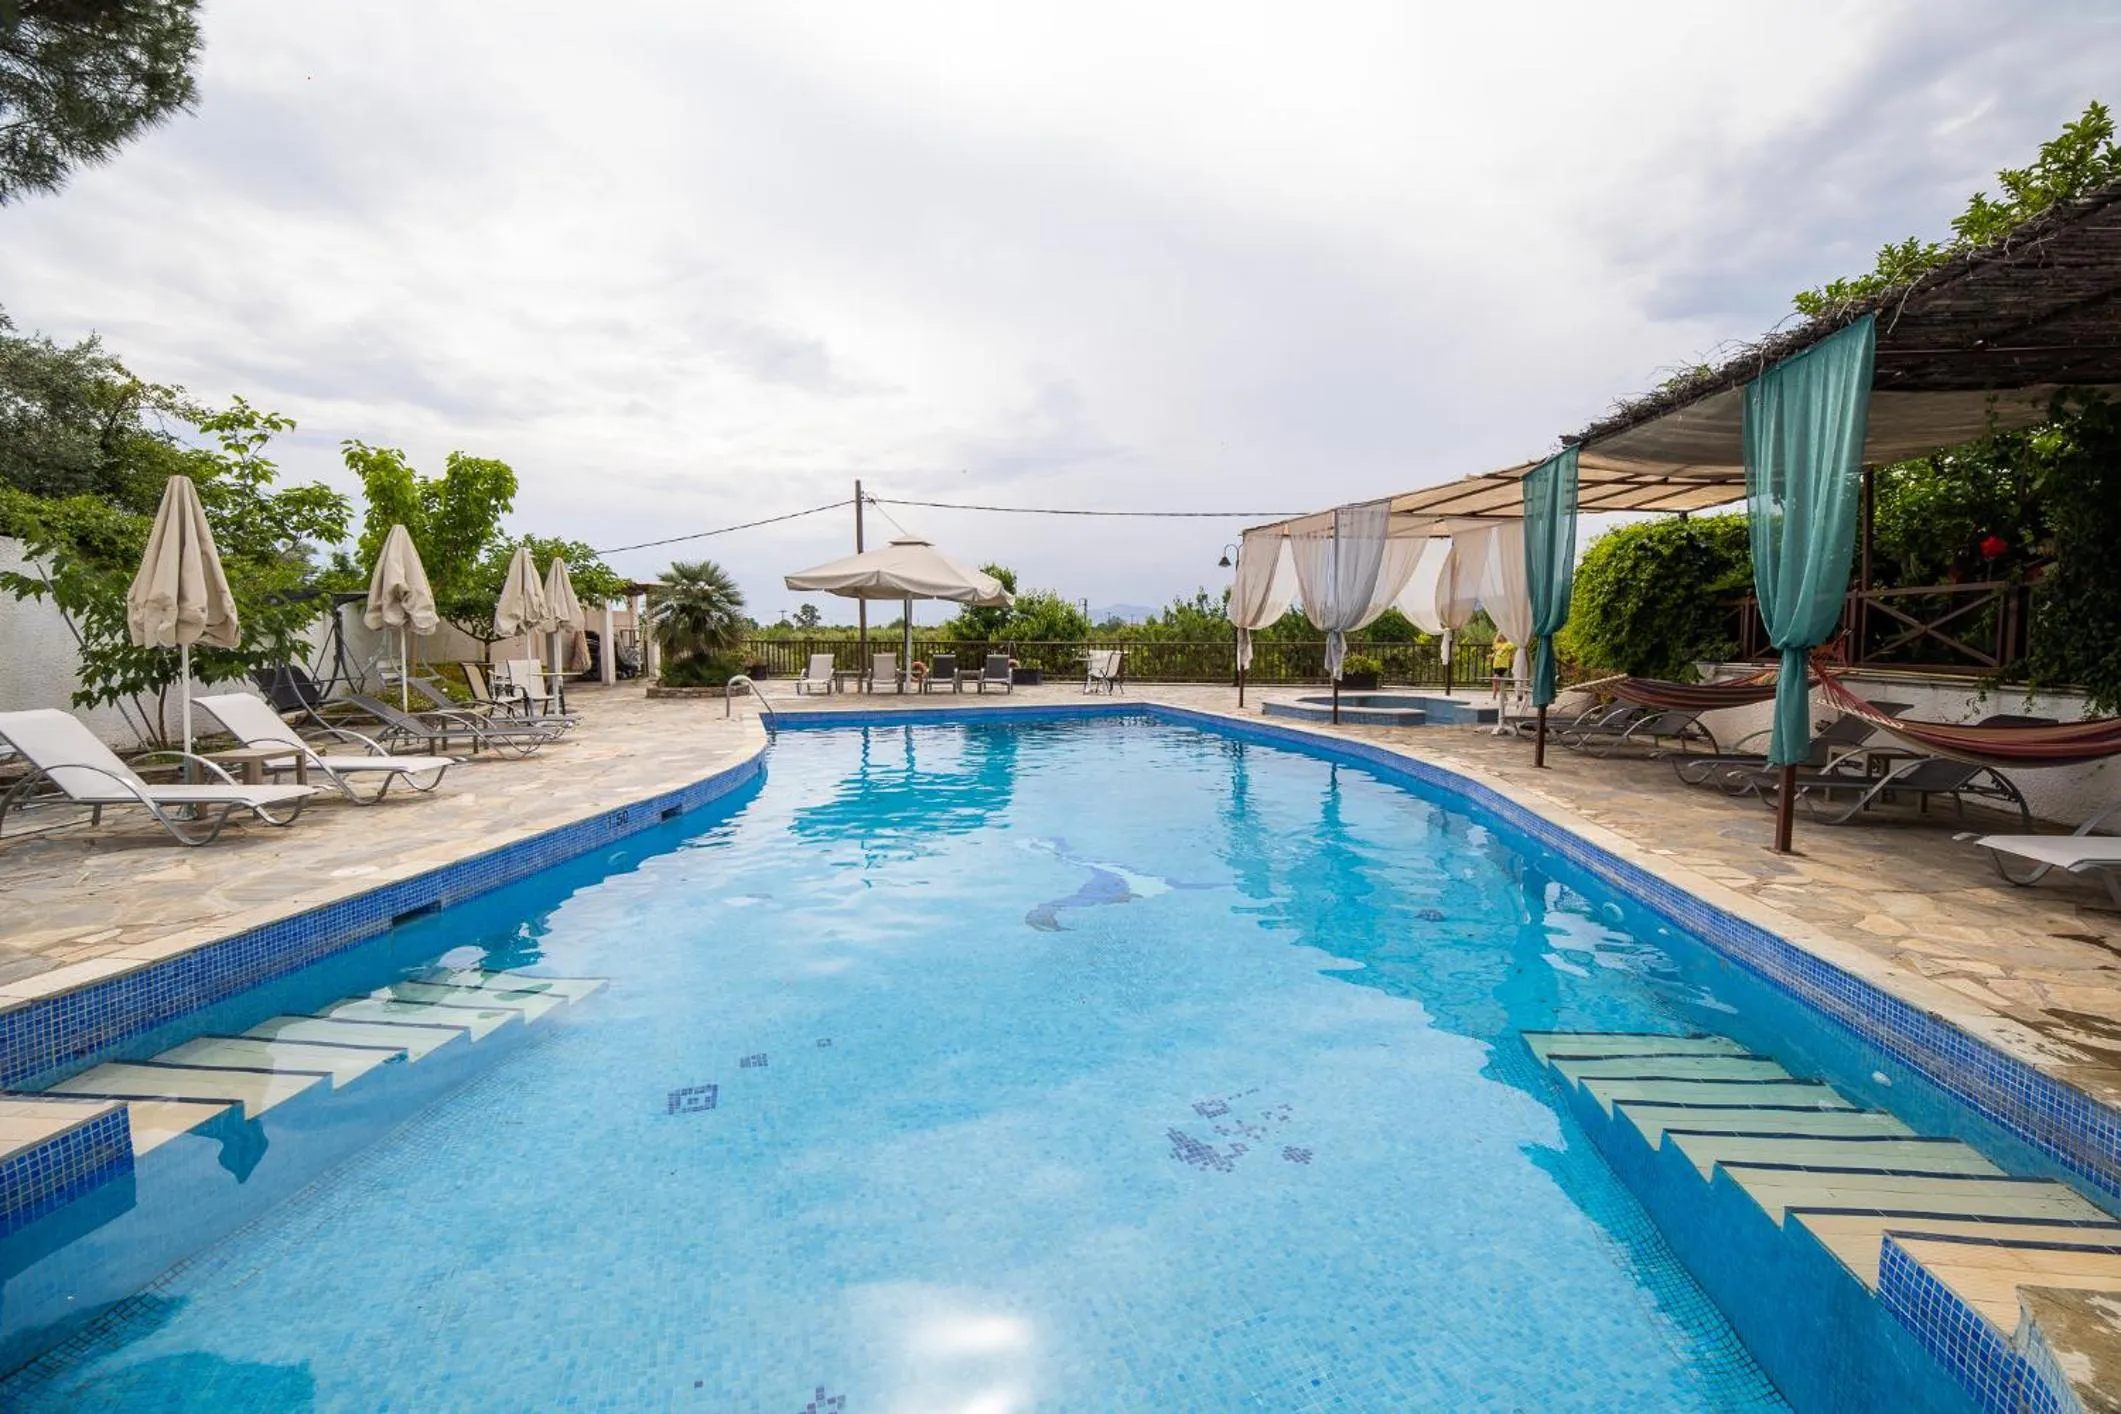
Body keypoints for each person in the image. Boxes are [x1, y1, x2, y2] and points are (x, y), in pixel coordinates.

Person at [1490, 636, 1514, 701]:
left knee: (1495, 678)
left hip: (1503, 665)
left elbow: (1512, 654)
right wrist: (1491, 656)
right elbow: (1495, 653)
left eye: (1503, 636)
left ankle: (1495, 696)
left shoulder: (1508, 644)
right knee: (1496, 681)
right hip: (1496, 665)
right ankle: (1503, 696)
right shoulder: (1497, 644)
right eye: (1500, 636)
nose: (1501, 637)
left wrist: (1513, 663)